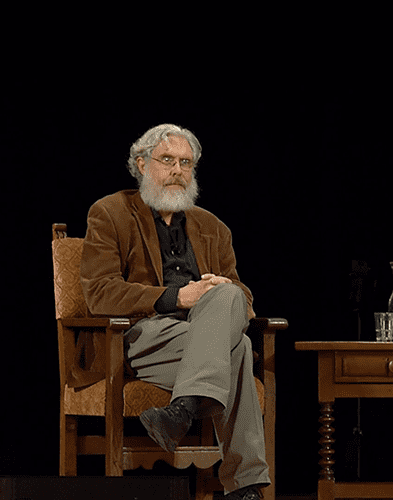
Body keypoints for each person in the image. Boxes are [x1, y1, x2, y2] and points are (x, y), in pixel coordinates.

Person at [80, 124, 268, 500]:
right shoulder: (110, 212)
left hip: (198, 341)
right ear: (141, 164)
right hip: (141, 337)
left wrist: (220, 293)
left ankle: (181, 410)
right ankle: (245, 488)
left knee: (229, 296)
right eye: (167, 160)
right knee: (240, 351)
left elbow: (243, 299)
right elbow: (99, 293)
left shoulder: (214, 228)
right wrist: (177, 298)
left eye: (186, 163)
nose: (178, 170)